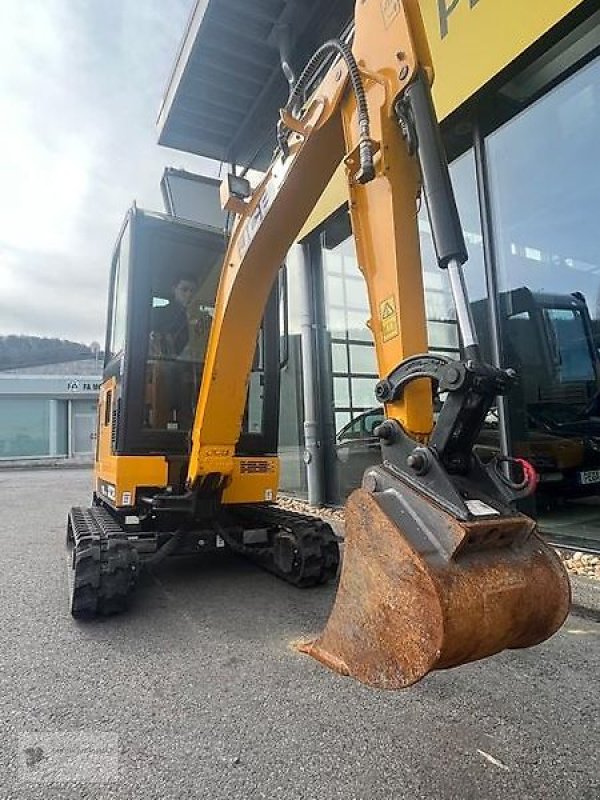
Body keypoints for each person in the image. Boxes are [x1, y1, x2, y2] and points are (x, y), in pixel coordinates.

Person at [150, 274, 197, 358]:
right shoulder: (157, 313)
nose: (189, 294)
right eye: (184, 290)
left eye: (192, 291)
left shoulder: (201, 317)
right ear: (174, 290)